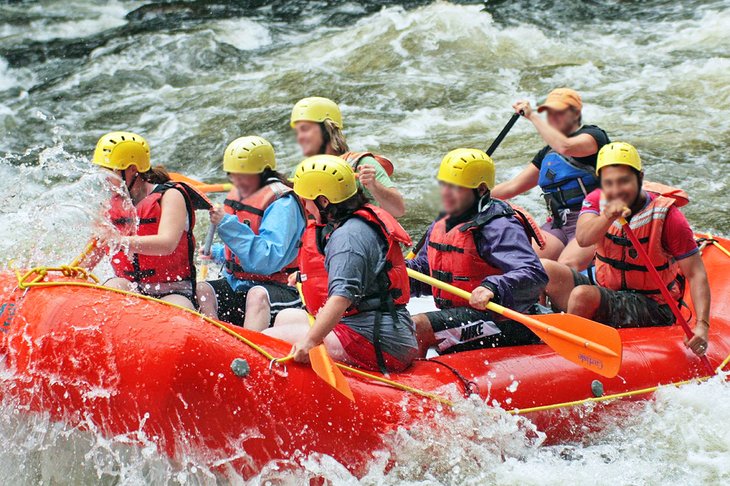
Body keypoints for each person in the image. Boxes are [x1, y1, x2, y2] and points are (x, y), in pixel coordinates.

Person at [541, 142, 710, 357]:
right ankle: (542, 329)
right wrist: (608, 216)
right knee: (545, 269)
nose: (616, 190)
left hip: (654, 306)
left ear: (640, 177)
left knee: (582, 295)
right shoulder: (596, 200)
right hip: (610, 292)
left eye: (624, 181)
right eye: (609, 183)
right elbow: (583, 238)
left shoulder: (668, 216)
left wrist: (702, 326)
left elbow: (696, 273)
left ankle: (568, 355)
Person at [264, 155, 417, 372]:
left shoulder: (348, 237)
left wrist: (310, 342)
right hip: (369, 325)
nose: (306, 207)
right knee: (285, 317)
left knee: (267, 339)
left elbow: (341, 298)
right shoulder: (346, 224)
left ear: (324, 201)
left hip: (377, 340)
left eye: (307, 200)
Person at [407, 149, 549, 356]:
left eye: (455, 187)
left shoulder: (499, 226)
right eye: (443, 185)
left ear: (481, 189)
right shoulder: (444, 222)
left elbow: (534, 274)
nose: (445, 193)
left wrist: (493, 287)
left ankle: (413, 384)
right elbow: (426, 271)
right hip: (462, 315)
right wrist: (394, 273)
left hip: (504, 321)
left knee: (418, 326)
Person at [84, 131, 208, 309]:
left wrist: (122, 241)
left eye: (110, 172)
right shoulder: (110, 205)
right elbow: (94, 252)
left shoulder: (170, 196)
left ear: (132, 170)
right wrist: (69, 274)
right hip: (131, 287)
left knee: (177, 310)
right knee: (112, 288)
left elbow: (167, 244)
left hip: (173, 289)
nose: (105, 180)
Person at [491, 88, 610, 269]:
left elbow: (566, 146)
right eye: (549, 112)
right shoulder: (547, 153)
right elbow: (513, 187)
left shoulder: (594, 136)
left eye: (559, 112)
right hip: (559, 222)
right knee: (525, 265)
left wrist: (532, 116)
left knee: (566, 265)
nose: (553, 116)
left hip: (591, 220)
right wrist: (473, 198)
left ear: (576, 113)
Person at [197, 136, 306, 329]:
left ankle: (248, 356)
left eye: (242, 175)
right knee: (201, 290)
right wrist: (219, 253)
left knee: (256, 295)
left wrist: (226, 224)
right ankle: (214, 341)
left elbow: (266, 260)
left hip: (283, 288)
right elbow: (244, 251)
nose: (236, 181)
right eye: (233, 175)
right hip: (241, 283)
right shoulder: (244, 194)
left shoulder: (282, 203)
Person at [290, 96, 406, 217]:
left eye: (305, 129)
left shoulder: (362, 165)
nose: (300, 137)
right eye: (298, 132)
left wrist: (374, 185)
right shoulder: (300, 172)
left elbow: (398, 210)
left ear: (327, 129)